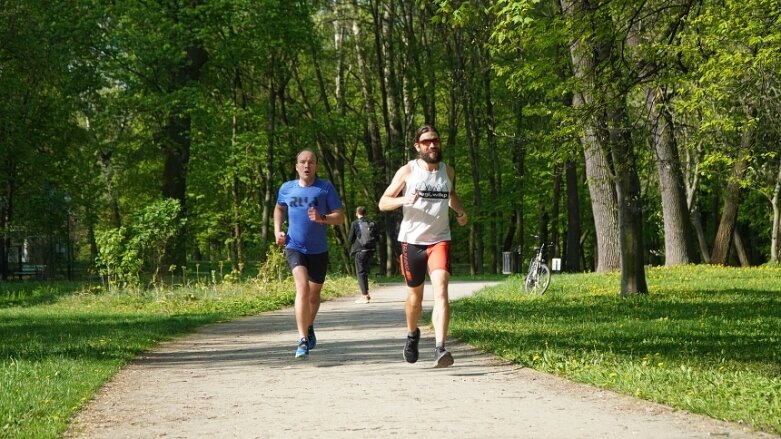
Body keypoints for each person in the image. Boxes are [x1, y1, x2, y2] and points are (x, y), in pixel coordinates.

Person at [378, 124, 468, 368]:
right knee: (415, 297)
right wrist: (403, 199)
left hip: (439, 239)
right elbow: (383, 203)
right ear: (418, 146)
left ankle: (440, 348)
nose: (432, 145)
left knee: (441, 289)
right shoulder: (408, 171)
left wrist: (460, 211)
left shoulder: (448, 171)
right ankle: (412, 334)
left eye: (435, 141)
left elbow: (451, 195)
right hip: (412, 241)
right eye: (427, 142)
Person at [274, 149, 344, 359]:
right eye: (303, 162)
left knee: (314, 296)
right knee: (302, 289)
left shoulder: (325, 188)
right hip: (294, 245)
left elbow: (339, 217)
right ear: (296, 166)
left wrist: (323, 217)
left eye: (311, 162)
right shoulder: (287, 188)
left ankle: (309, 325)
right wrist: (278, 230)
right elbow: (279, 208)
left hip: (318, 250)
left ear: (316, 166)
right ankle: (302, 339)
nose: (307, 166)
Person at [348, 206, 377, 304]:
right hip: (371, 250)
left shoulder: (355, 223)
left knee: (360, 273)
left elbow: (350, 239)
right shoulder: (372, 223)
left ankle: (364, 296)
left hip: (361, 251)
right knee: (364, 272)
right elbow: (376, 236)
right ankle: (366, 294)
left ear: (357, 213)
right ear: (366, 213)